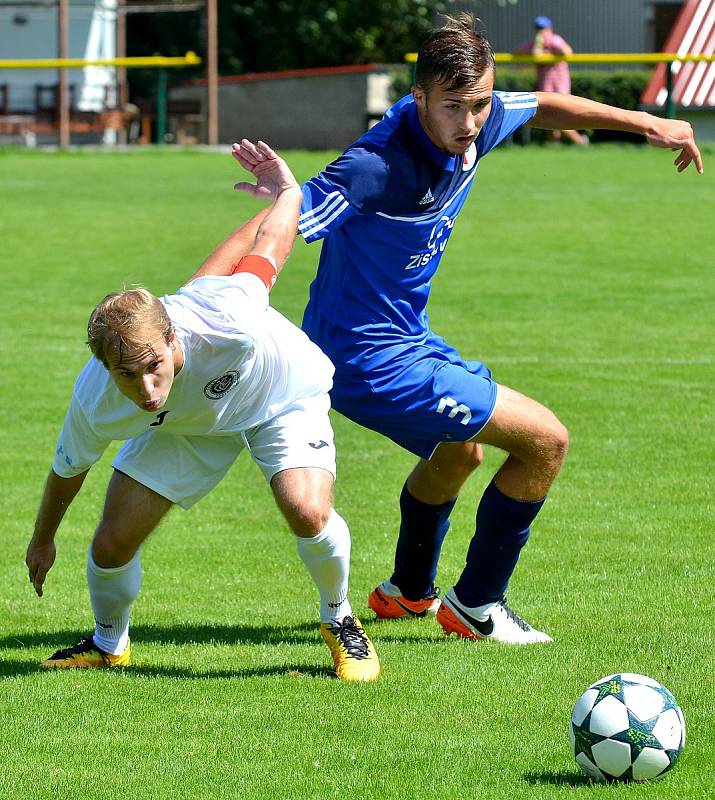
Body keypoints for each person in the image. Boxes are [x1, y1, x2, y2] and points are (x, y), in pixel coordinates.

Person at [294, 13, 702, 644]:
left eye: (479, 105)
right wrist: (205, 304)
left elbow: (538, 104)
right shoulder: (375, 165)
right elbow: (292, 215)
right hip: (366, 360)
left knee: (460, 452)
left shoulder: (478, 123)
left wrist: (646, 122)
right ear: (418, 97)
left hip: (404, 339)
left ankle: (407, 591)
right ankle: (477, 607)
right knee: (546, 442)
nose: (470, 123)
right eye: (454, 107)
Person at [24, 140, 380, 682]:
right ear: (103, 366)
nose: (145, 388)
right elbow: (68, 468)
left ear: (171, 338)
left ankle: (341, 620)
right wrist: (42, 538)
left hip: (279, 395)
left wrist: (288, 190)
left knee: (306, 510)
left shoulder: (225, 319)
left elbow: (271, 242)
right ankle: (106, 643)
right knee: (111, 542)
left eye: (152, 366)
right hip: (192, 426)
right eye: (126, 375)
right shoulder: (95, 397)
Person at [519, 15, 588, 145]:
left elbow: (567, 51)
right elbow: (519, 54)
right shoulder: (534, 45)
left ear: (549, 29)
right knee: (549, 115)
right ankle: (554, 144)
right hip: (545, 85)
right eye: (538, 28)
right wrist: (536, 50)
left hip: (560, 85)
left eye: (543, 28)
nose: (540, 31)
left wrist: (550, 50)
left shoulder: (555, 40)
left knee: (562, 115)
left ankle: (580, 141)